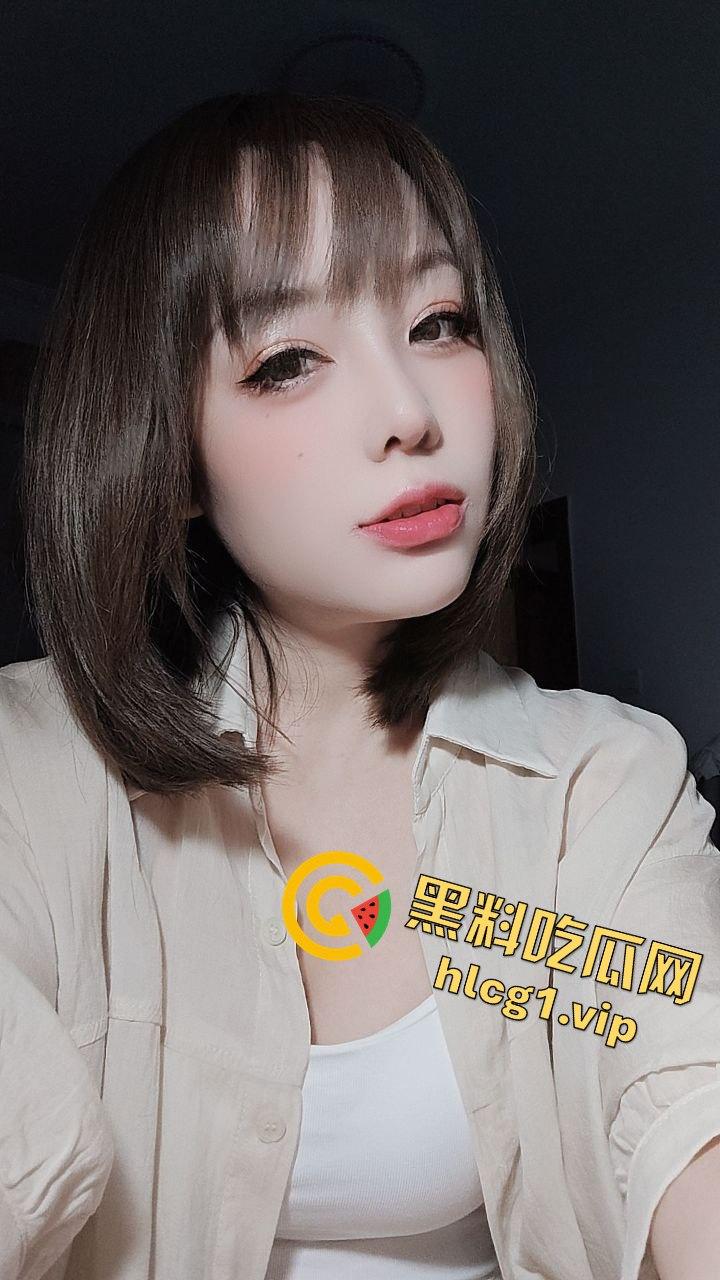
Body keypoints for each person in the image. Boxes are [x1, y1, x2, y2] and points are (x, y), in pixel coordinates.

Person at [2, 89, 719, 1280]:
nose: (408, 412)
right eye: (287, 360)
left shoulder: (598, 785)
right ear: (170, 454)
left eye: (438, 322)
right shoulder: (28, 775)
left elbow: (685, 1085)